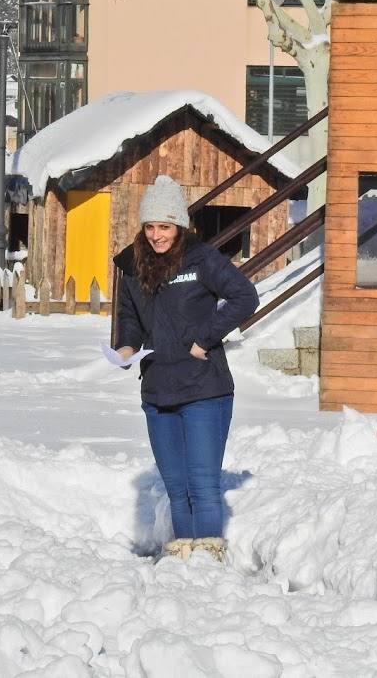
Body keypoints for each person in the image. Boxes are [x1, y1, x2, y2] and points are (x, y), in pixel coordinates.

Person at [113, 174, 258, 562]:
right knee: (177, 487)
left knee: (203, 485)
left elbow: (245, 296)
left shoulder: (201, 259)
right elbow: (128, 314)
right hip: (158, 390)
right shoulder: (132, 265)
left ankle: (208, 565)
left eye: (165, 226)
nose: (157, 235)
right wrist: (126, 345)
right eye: (150, 227)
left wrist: (205, 339)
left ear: (179, 225)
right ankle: (183, 568)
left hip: (203, 389)